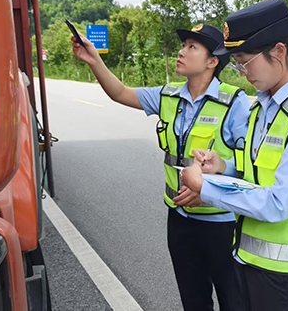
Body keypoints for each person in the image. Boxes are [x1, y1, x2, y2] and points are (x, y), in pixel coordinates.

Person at [71, 23, 248, 311]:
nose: (181, 51)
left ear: (213, 61)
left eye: (192, 47)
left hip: (221, 224)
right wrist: (94, 60)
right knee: (193, 301)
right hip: (180, 221)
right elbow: (120, 93)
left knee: (234, 301)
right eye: (183, 45)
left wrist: (212, 186)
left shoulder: (233, 102)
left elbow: (249, 164)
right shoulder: (168, 95)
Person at [179, 0, 288, 311]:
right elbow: (258, 170)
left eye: (245, 61)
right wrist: (223, 166)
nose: (242, 72)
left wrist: (205, 188)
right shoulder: (261, 107)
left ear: (278, 52)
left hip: (284, 281)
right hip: (245, 261)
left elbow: (280, 203)